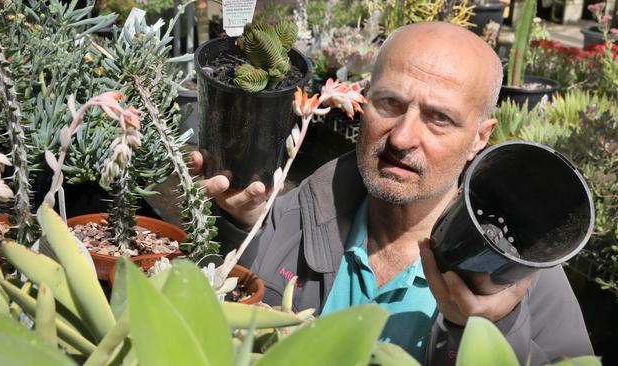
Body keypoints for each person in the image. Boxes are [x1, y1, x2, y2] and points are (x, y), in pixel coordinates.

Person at [189, 22, 593, 365]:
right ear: (364, 102)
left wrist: (495, 331)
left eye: (439, 118)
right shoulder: (295, 214)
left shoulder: (521, 282)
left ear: (479, 138)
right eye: (390, 103)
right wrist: (236, 224)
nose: (401, 137)